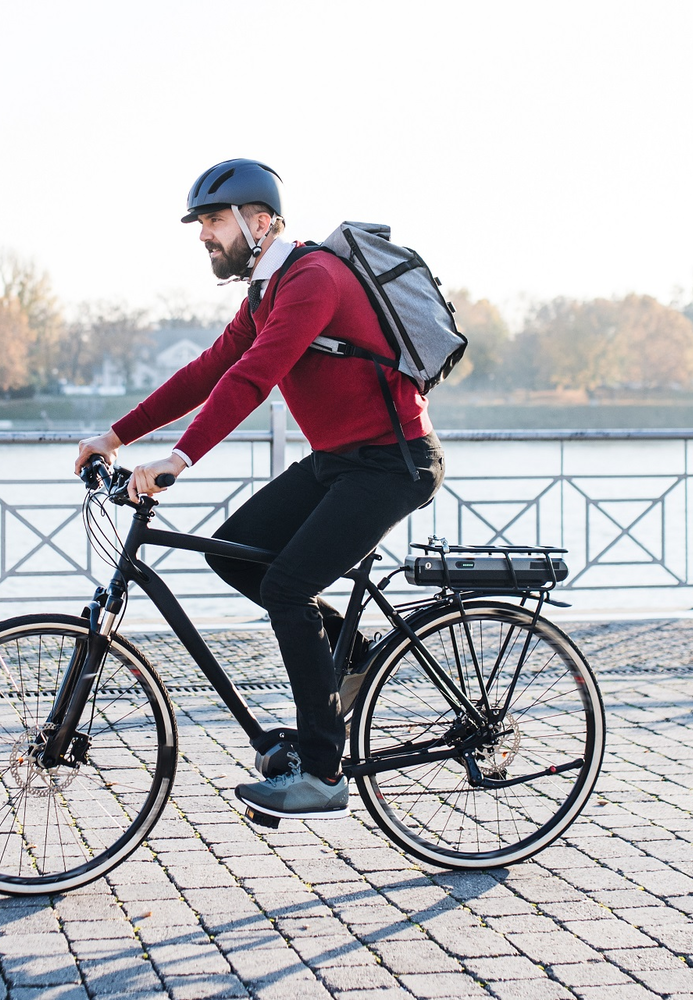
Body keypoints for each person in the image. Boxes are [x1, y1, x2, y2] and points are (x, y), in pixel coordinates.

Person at [76, 158, 445, 821]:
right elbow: (210, 371)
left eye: (213, 220)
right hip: (340, 460)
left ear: (261, 221)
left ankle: (324, 773)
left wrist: (179, 459)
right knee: (232, 551)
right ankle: (349, 651)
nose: (203, 236)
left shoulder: (313, 280)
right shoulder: (266, 292)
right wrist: (116, 436)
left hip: (393, 464)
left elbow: (254, 379)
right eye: (202, 224)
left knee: (284, 587)